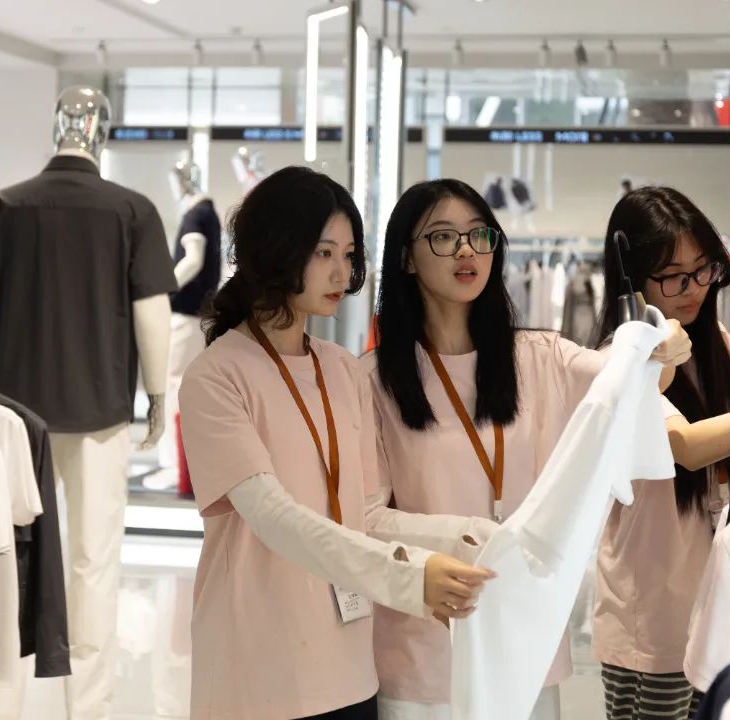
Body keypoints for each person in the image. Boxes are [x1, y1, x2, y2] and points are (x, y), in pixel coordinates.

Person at [363, 178, 693, 720]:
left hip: (526, 637)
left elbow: (630, 381)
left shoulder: (538, 356)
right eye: (443, 237)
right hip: (424, 645)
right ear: (405, 258)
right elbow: (366, 517)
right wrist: (472, 537)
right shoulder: (373, 381)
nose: (467, 251)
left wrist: (659, 344)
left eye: (479, 235)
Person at [178, 167, 494, 720]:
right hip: (255, 670)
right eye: (324, 252)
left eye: (348, 255)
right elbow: (274, 517)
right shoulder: (217, 376)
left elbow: (364, 515)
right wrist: (408, 578)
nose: (341, 272)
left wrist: (475, 537)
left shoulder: (344, 370)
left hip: (350, 670)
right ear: (278, 249)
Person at [590, 186, 730, 720]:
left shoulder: (713, 340)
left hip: (717, 602)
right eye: (674, 276)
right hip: (653, 618)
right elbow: (684, 447)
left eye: (703, 270)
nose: (693, 288)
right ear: (632, 280)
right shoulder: (618, 362)